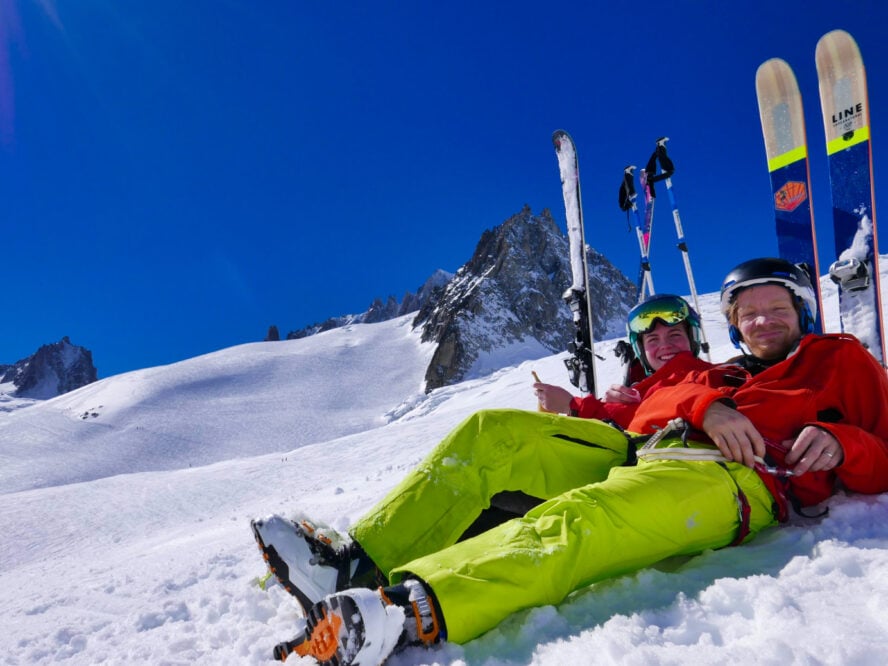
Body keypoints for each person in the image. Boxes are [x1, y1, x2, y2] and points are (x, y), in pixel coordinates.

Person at [252, 257, 888, 666]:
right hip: (649, 448)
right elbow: (659, 399)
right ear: (733, 325)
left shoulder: (840, 359)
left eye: (777, 309)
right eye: (748, 313)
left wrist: (842, 444)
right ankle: (354, 565)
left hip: (730, 479)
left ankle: (404, 610)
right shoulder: (723, 371)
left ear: (801, 312)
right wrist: (703, 407)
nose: (761, 321)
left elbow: (883, 450)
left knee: (585, 516)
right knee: (494, 433)